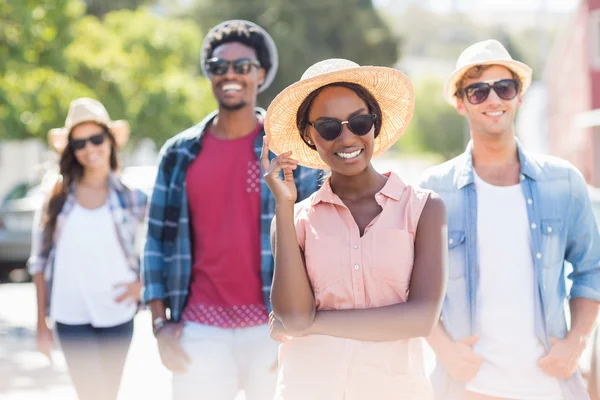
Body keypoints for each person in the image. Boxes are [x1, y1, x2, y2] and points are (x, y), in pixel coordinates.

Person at [141, 20, 320, 400]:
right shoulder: (178, 154)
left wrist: (304, 327)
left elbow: (314, 240)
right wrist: (160, 324)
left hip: (274, 328)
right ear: (209, 74)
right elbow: (156, 241)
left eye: (243, 66)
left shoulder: (287, 153)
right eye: (220, 66)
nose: (231, 75)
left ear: (261, 74)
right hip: (199, 328)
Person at [419, 39, 600, 400]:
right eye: (478, 91)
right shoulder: (434, 189)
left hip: (550, 387)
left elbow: (591, 268)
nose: (493, 99)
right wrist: (445, 349)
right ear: (460, 102)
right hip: (466, 388)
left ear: (519, 97)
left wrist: (576, 341)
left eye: (505, 87)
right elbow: (409, 284)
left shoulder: (563, 181)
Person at [262, 58, 448, 400]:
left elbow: (421, 318)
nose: (347, 138)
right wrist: (284, 206)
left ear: (374, 125)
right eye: (330, 127)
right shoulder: (294, 220)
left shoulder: (424, 209)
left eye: (359, 122)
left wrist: (315, 323)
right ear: (309, 135)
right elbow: (292, 315)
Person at [28, 97, 148, 400]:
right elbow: (39, 262)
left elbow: (161, 245)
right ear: (71, 150)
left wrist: (143, 285)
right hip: (70, 316)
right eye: (80, 143)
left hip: (118, 314)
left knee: (109, 393)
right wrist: (41, 322)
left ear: (109, 140)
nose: (89, 148)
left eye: (96, 138)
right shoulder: (55, 197)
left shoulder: (132, 197)